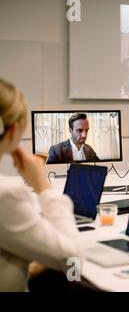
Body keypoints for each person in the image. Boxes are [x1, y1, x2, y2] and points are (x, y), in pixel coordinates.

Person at [0, 79, 83, 291]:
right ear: (13, 131)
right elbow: (74, 257)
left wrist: (33, 263)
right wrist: (41, 184)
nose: (83, 135)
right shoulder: (7, 194)